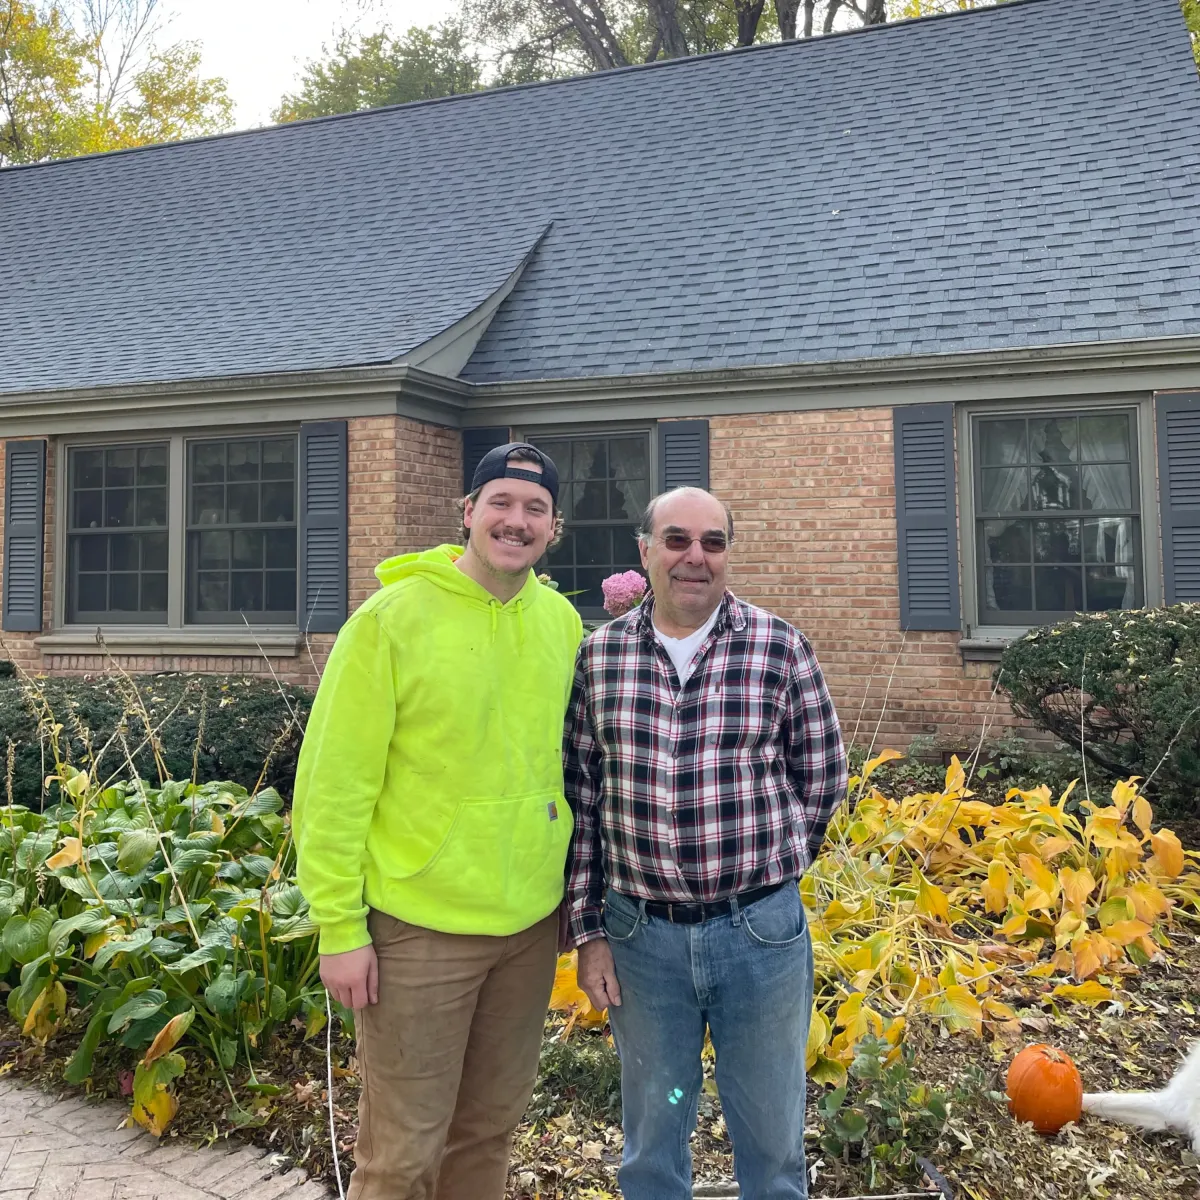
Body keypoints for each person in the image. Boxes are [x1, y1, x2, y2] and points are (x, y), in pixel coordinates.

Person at [293, 443, 583, 1200]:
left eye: (535, 509)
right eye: (501, 503)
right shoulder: (390, 620)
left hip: (527, 929)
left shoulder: (561, 624)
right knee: (401, 1154)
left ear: (555, 528)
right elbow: (334, 784)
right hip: (419, 932)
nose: (516, 521)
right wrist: (339, 927)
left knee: (487, 1135)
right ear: (468, 513)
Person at [564, 486, 848, 1200]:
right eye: (678, 540)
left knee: (773, 1137)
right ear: (645, 552)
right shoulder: (598, 659)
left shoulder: (778, 647)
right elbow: (584, 800)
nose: (696, 557)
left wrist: (773, 867)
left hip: (759, 937)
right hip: (642, 941)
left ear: (727, 553)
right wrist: (590, 932)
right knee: (652, 1141)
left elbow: (822, 773)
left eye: (713, 542)